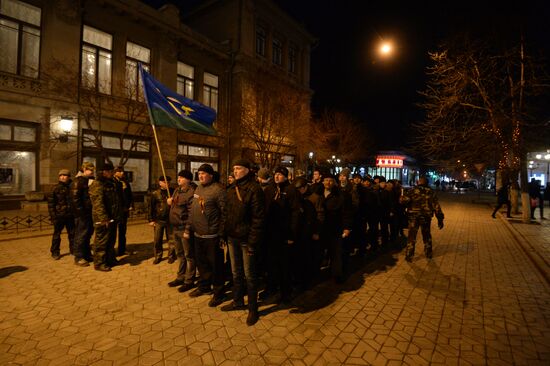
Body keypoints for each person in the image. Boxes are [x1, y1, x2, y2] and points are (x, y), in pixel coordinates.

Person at [222, 159, 265, 326]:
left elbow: (258, 219)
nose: (235, 171)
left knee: (250, 276)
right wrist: (223, 233)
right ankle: (237, 300)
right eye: (234, 168)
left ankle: (253, 309)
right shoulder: (232, 188)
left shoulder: (254, 189)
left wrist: (253, 242)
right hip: (232, 238)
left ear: (247, 170)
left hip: (247, 240)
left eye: (238, 168)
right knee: (236, 273)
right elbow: (226, 213)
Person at [185, 164, 226, 307]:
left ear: (211, 175)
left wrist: (221, 234)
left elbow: (224, 214)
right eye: (199, 173)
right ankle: (204, 287)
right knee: (202, 264)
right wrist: (188, 228)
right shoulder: (198, 188)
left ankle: (218, 293)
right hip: (198, 235)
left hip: (212, 237)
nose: (200, 176)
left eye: (203, 173)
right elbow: (193, 209)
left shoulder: (218, 190)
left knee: (216, 266)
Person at [400, 176, 444, 262]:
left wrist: (401, 196)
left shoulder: (412, 191)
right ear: (427, 183)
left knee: (412, 236)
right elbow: (436, 206)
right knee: (427, 235)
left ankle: (409, 255)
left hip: (413, 216)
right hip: (426, 217)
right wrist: (440, 219)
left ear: (418, 182)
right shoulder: (431, 192)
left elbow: (403, 201)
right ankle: (428, 253)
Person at [89, 162, 122, 271]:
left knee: (111, 240)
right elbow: (98, 203)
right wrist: (103, 218)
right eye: (111, 171)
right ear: (104, 172)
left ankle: (110, 259)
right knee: (101, 241)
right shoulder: (97, 184)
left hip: (112, 216)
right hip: (102, 219)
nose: (113, 173)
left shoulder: (111, 182)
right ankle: (99, 263)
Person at [167, 170, 196, 292]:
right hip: (175, 227)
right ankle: (181, 276)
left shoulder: (191, 192)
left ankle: (189, 280)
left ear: (188, 179)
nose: (178, 179)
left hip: (184, 228)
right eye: (178, 177)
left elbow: (192, 213)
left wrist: (187, 230)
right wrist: (169, 202)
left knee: (189, 255)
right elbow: (175, 205)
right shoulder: (176, 190)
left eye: (182, 177)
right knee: (180, 255)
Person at [71, 162, 95, 266]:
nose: (92, 172)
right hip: (82, 214)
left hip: (88, 213)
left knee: (87, 234)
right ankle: (79, 256)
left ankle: (86, 254)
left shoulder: (86, 181)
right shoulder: (78, 181)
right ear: (84, 169)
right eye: (90, 170)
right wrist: (81, 213)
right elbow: (75, 199)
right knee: (81, 235)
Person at [48, 169, 75, 260]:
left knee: (72, 234)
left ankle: (73, 249)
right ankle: (55, 251)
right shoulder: (55, 188)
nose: (63, 177)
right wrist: (53, 216)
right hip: (59, 215)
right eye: (61, 175)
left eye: (65, 175)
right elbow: (51, 204)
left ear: (69, 177)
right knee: (57, 235)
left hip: (70, 215)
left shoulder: (72, 187)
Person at [148, 176, 175, 264]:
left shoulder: (173, 192)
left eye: (168, 181)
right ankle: (158, 256)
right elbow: (151, 207)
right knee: (157, 239)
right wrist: (151, 220)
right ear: (160, 183)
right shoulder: (155, 193)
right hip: (159, 220)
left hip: (170, 219)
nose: (167, 183)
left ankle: (171, 256)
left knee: (171, 239)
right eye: (164, 182)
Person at [114, 166, 133, 256]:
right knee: (112, 232)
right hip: (116, 210)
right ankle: (111, 251)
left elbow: (129, 194)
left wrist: (130, 205)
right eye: (120, 171)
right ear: (115, 172)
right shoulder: (112, 182)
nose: (122, 173)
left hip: (124, 210)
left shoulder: (125, 182)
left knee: (122, 230)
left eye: (122, 171)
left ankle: (122, 249)